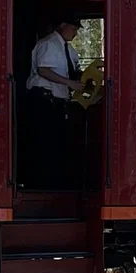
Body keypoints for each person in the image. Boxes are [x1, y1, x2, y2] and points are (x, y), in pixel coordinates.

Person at [24, 16, 82, 189]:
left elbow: (75, 72)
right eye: (73, 28)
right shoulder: (48, 44)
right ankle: (41, 185)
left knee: (59, 145)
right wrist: (69, 83)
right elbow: (43, 70)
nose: (76, 33)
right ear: (62, 25)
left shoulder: (70, 50)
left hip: (59, 101)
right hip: (43, 100)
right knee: (44, 144)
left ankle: (57, 184)